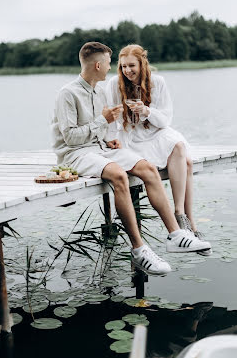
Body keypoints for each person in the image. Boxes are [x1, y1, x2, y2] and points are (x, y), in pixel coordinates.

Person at [51, 42, 211, 276]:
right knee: (118, 175)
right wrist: (103, 122)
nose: (112, 69)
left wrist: (108, 139)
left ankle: (176, 234)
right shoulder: (68, 93)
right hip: (76, 154)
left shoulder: (98, 91)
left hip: (99, 148)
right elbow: (71, 138)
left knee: (147, 168)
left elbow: (103, 129)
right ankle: (139, 249)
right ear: (98, 65)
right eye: (109, 63)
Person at [106, 44, 211, 255]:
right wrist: (112, 137)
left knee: (179, 146)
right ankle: (190, 227)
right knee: (187, 164)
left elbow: (165, 120)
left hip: (155, 132)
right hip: (130, 137)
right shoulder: (113, 84)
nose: (128, 71)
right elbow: (111, 121)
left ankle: (180, 213)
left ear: (142, 63)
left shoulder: (158, 82)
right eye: (124, 66)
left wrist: (146, 111)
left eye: (132, 66)